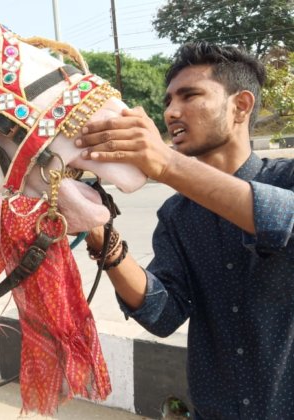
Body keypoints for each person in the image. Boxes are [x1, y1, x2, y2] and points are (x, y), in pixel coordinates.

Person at [76, 41, 294, 419]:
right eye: (168, 101)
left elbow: (281, 223)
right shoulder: (176, 214)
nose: (172, 112)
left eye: (190, 95)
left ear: (241, 105)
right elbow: (164, 314)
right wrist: (101, 235)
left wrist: (166, 163)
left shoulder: (288, 178)